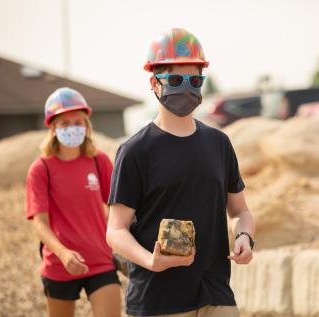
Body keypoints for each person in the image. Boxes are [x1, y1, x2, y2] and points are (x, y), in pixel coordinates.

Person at [106, 28, 255, 317]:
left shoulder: (219, 143)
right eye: (175, 80)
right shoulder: (135, 151)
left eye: (195, 80)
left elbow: (241, 212)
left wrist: (244, 238)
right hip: (157, 300)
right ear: (154, 83)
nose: (186, 88)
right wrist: (151, 261)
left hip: (215, 292)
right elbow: (115, 230)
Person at [26, 87, 121, 317]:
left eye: (78, 122)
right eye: (65, 124)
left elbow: (117, 209)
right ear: (53, 128)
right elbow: (40, 223)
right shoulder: (41, 169)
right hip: (59, 265)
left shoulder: (99, 161)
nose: (72, 128)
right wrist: (64, 254)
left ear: (87, 126)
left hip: (101, 261)